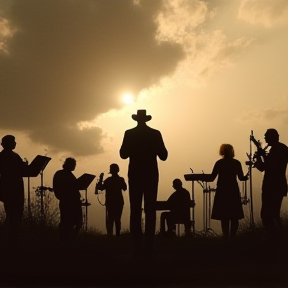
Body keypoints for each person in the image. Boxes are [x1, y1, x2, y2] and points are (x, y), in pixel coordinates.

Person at [120, 109, 168, 255]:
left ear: (136, 119)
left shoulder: (129, 133)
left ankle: (136, 245)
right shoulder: (155, 134)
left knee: (135, 210)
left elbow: (123, 154)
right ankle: (149, 245)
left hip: (135, 174)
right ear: (146, 120)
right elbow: (164, 155)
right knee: (150, 210)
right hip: (151, 175)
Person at [253, 128, 288, 243]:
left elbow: (266, 167)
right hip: (280, 185)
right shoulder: (283, 148)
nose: (266, 140)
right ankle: (279, 236)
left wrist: (258, 159)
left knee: (266, 214)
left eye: (267, 137)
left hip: (271, 186)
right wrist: (263, 156)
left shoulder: (276, 150)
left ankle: (273, 237)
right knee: (275, 213)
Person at [208, 144, 248, 239]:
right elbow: (241, 178)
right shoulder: (236, 163)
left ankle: (226, 236)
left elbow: (212, 177)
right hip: (233, 190)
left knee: (224, 215)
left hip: (222, 190)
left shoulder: (219, 163)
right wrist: (246, 176)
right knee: (234, 215)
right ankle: (233, 236)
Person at [0, 135, 27, 241]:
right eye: (13, 141)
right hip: (11, 188)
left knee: (15, 214)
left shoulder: (13, 155)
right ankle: (11, 238)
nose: (15, 143)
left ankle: (13, 237)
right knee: (13, 214)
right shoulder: (5, 156)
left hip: (14, 187)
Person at [53, 157, 83, 242]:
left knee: (75, 222)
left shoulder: (67, 174)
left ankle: (69, 240)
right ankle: (66, 241)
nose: (74, 166)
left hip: (73, 201)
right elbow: (58, 188)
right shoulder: (61, 174)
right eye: (74, 165)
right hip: (68, 202)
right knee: (67, 222)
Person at [97, 163, 127, 236]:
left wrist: (100, 180)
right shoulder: (120, 179)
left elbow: (100, 188)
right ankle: (117, 235)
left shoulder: (108, 180)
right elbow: (125, 188)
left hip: (110, 202)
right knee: (117, 219)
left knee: (110, 219)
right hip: (119, 202)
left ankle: (110, 235)